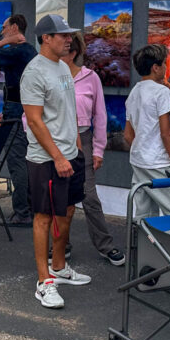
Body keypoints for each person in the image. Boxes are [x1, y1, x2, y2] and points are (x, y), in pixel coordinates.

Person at [20, 14, 91, 309]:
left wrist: (76, 148)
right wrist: (59, 157)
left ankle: (59, 267)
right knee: (44, 217)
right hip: (47, 160)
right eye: (63, 35)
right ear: (46, 38)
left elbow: (67, 112)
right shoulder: (34, 72)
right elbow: (35, 121)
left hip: (70, 155)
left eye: (69, 34)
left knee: (68, 211)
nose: (69, 39)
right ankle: (43, 282)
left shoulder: (62, 66)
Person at [61, 32, 125, 266]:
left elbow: (100, 115)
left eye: (64, 48)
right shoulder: (49, 76)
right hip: (56, 140)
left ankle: (105, 245)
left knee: (89, 196)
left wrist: (98, 149)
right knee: (59, 197)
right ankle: (60, 246)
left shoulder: (91, 78)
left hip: (84, 140)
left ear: (73, 52)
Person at [0, 13, 36, 227]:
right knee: (27, 159)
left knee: (16, 159)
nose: (2, 31)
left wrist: (8, 41)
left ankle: (22, 212)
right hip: (26, 109)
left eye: (4, 28)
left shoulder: (18, 50)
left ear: (15, 28)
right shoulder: (30, 51)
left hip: (15, 110)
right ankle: (30, 208)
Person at [124, 44, 170, 220]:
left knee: (145, 216)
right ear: (155, 68)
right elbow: (166, 133)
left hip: (138, 162)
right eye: (164, 63)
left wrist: (143, 149)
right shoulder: (161, 92)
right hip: (159, 163)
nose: (166, 67)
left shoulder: (134, 92)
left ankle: (143, 240)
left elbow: (128, 135)